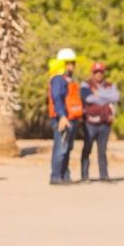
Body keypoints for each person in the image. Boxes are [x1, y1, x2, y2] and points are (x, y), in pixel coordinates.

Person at [80, 62, 120, 182]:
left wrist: (99, 94)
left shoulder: (109, 85)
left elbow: (116, 97)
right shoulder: (86, 84)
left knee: (102, 150)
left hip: (105, 122)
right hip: (90, 122)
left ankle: (104, 175)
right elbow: (88, 98)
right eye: (96, 72)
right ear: (92, 73)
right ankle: (84, 175)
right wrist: (106, 97)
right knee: (87, 149)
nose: (98, 74)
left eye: (101, 72)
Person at [48, 48, 83, 185]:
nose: (72, 66)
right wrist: (62, 116)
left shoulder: (69, 79)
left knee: (67, 147)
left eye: (73, 63)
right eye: (69, 63)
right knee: (60, 147)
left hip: (72, 118)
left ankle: (65, 175)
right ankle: (56, 176)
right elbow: (57, 98)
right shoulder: (58, 79)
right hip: (62, 118)